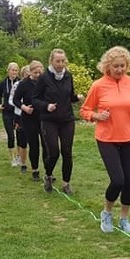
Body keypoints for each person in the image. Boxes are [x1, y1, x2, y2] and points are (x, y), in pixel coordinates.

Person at [81, 46, 130, 234]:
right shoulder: (98, 85)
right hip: (107, 138)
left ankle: (124, 218)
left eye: (123, 66)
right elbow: (85, 110)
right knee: (117, 180)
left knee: (129, 181)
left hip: (129, 136)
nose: (119, 70)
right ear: (107, 66)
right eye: (116, 66)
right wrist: (96, 116)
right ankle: (107, 212)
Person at [33, 49, 81, 195]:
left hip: (67, 119)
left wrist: (77, 97)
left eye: (63, 61)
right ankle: (48, 175)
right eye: (57, 61)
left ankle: (66, 184)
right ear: (51, 62)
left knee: (67, 151)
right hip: (49, 120)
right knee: (54, 152)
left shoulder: (68, 76)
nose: (61, 64)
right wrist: (46, 106)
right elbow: (35, 99)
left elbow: (69, 96)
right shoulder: (44, 78)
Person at [13, 60, 46, 182]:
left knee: (46, 145)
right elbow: (16, 99)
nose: (38, 74)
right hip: (29, 118)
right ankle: (35, 170)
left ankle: (48, 172)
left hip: (43, 116)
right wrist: (24, 108)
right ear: (30, 72)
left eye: (40, 72)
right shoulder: (24, 84)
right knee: (34, 145)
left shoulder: (45, 82)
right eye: (35, 72)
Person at [0, 62, 21, 167]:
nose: (14, 72)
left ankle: (20, 156)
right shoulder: (3, 83)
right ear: (8, 71)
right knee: (11, 136)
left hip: (18, 112)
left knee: (20, 135)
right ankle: (13, 158)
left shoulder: (20, 82)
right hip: (7, 112)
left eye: (16, 70)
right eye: (12, 70)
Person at [9, 65, 31, 173]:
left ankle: (31, 163)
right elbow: (11, 100)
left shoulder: (35, 84)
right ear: (23, 74)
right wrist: (22, 105)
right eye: (27, 73)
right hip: (19, 115)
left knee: (32, 139)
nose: (29, 75)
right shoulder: (17, 85)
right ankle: (23, 163)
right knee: (22, 140)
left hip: (32, 114)